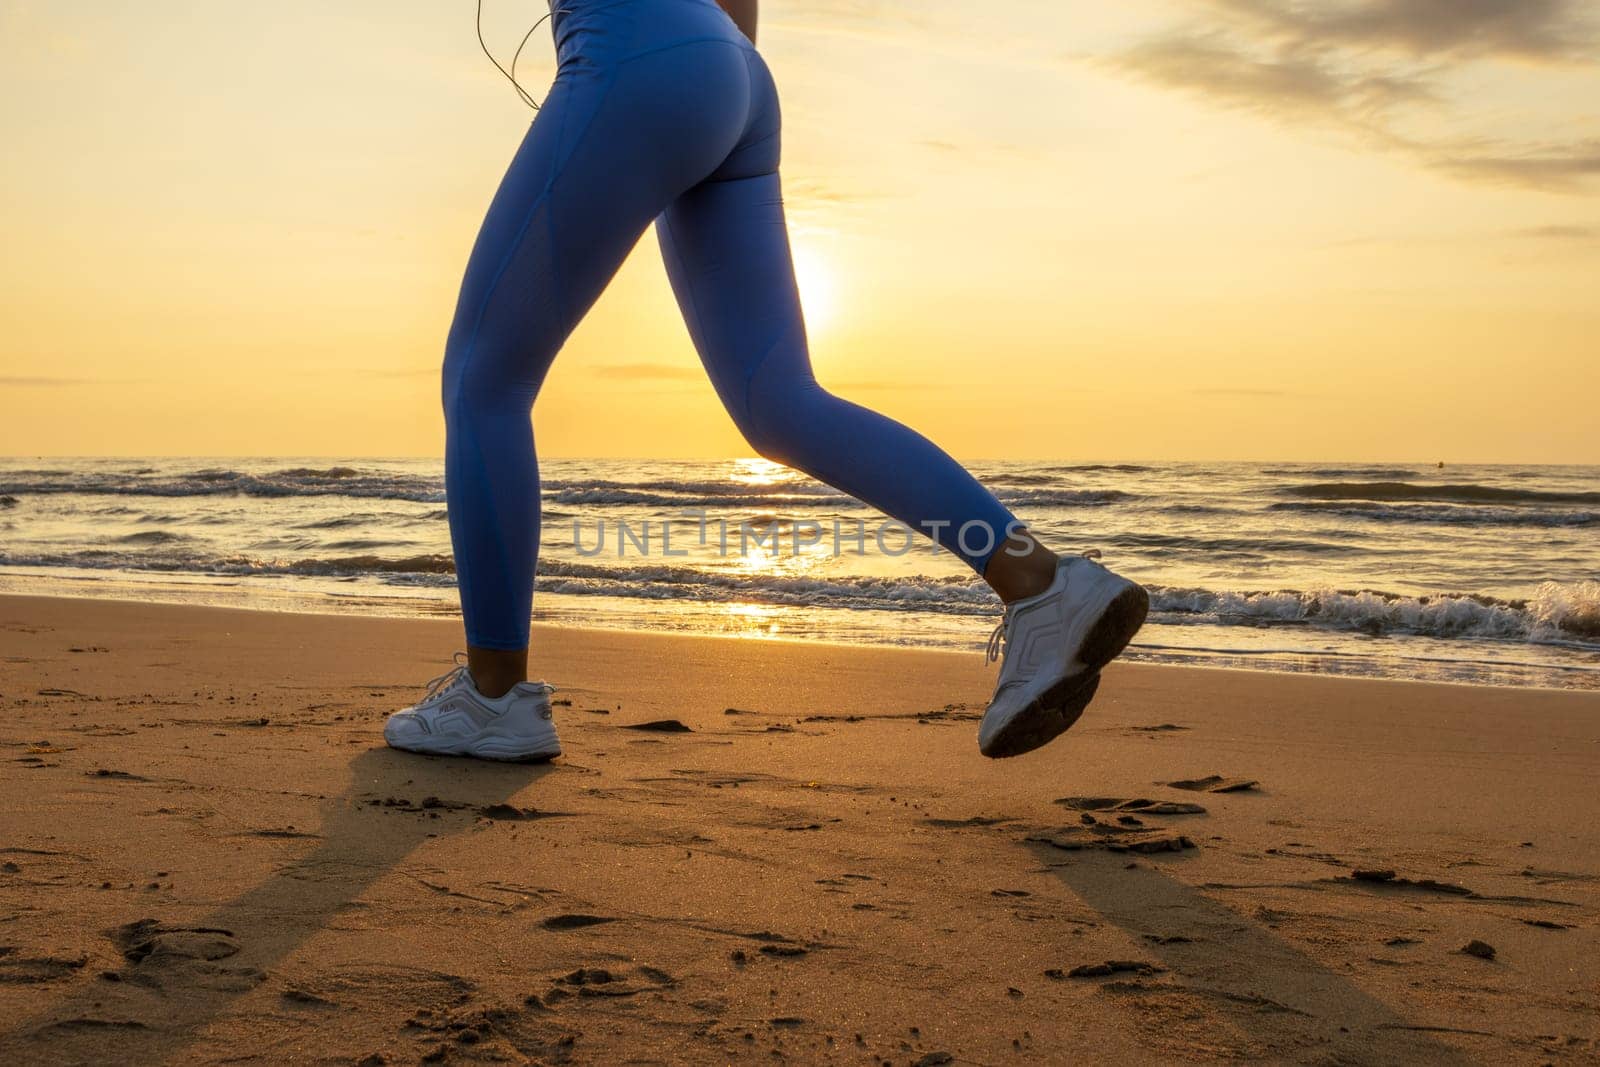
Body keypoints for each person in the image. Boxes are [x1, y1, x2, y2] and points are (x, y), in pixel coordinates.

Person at [383, 0, 1148, 763]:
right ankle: (1041, 584)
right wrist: (702, 89)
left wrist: (655, 96)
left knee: (485, 378)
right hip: (734, 74)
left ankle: (493, 699)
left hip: (634, 50)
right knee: (778, 403)